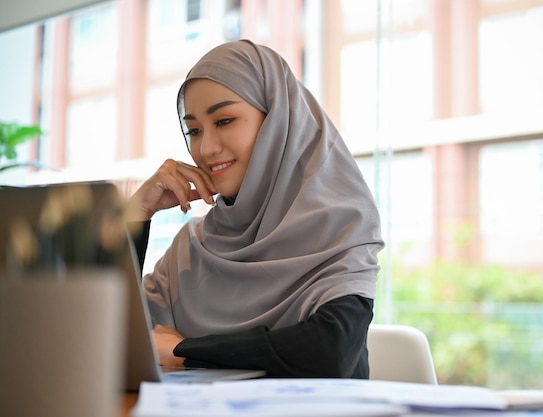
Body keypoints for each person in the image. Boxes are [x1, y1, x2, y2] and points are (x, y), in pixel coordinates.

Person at [125, 39, 384, 378]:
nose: (206, 148)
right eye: (194, 130)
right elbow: (102, 336)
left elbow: (329, 350)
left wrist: (182, 350)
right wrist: (133, 216)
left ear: (277, 121)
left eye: (224, 121)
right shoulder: (192, 250)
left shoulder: (342, 228)